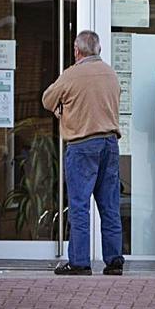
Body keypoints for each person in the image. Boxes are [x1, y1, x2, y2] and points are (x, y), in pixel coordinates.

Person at [41, 30, 124, 277]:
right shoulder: (111, 73)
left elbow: (47, 99)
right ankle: (114, 260)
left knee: (79, 206)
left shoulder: (72, 74)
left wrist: (61, 109)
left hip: (82, 144)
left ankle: (79, 262)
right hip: (110, 143)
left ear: (77, 51)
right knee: (109, 205)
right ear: (98, 50)